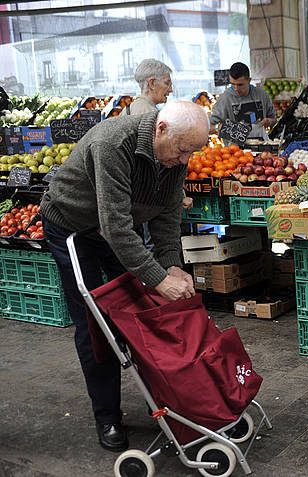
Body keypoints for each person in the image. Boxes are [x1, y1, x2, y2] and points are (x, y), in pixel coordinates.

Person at [41, 101, 210, 452]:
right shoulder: (112, 143)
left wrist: (170, 264)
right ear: (161, 129)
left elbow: (166, 212)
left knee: (142, 311)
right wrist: (157, 278)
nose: (183, 160)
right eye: (181, 151)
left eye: (189, 153)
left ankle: (162, 401)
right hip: (73, 226)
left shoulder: (176, 150)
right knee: (94, 323)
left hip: (117, 229)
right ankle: (108, 417)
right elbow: (114, 226)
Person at [121, 59, 193, 211]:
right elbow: (164, 162)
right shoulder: (155, 118)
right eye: (167, 83)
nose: (171, 90)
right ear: (152, 83)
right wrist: (179, 195)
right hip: (148, 197)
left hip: (129, 192)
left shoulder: (125, 111)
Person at [210, 62, 276, 140]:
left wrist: (268, 121)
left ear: (249, 80)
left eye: (240, 85)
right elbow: (210, 126)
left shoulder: (262, 95)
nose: (236, 88)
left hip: (261, 147)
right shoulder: (225, 99)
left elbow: (274, 119)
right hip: (235, 150)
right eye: (232, 84)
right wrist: (221, 128)